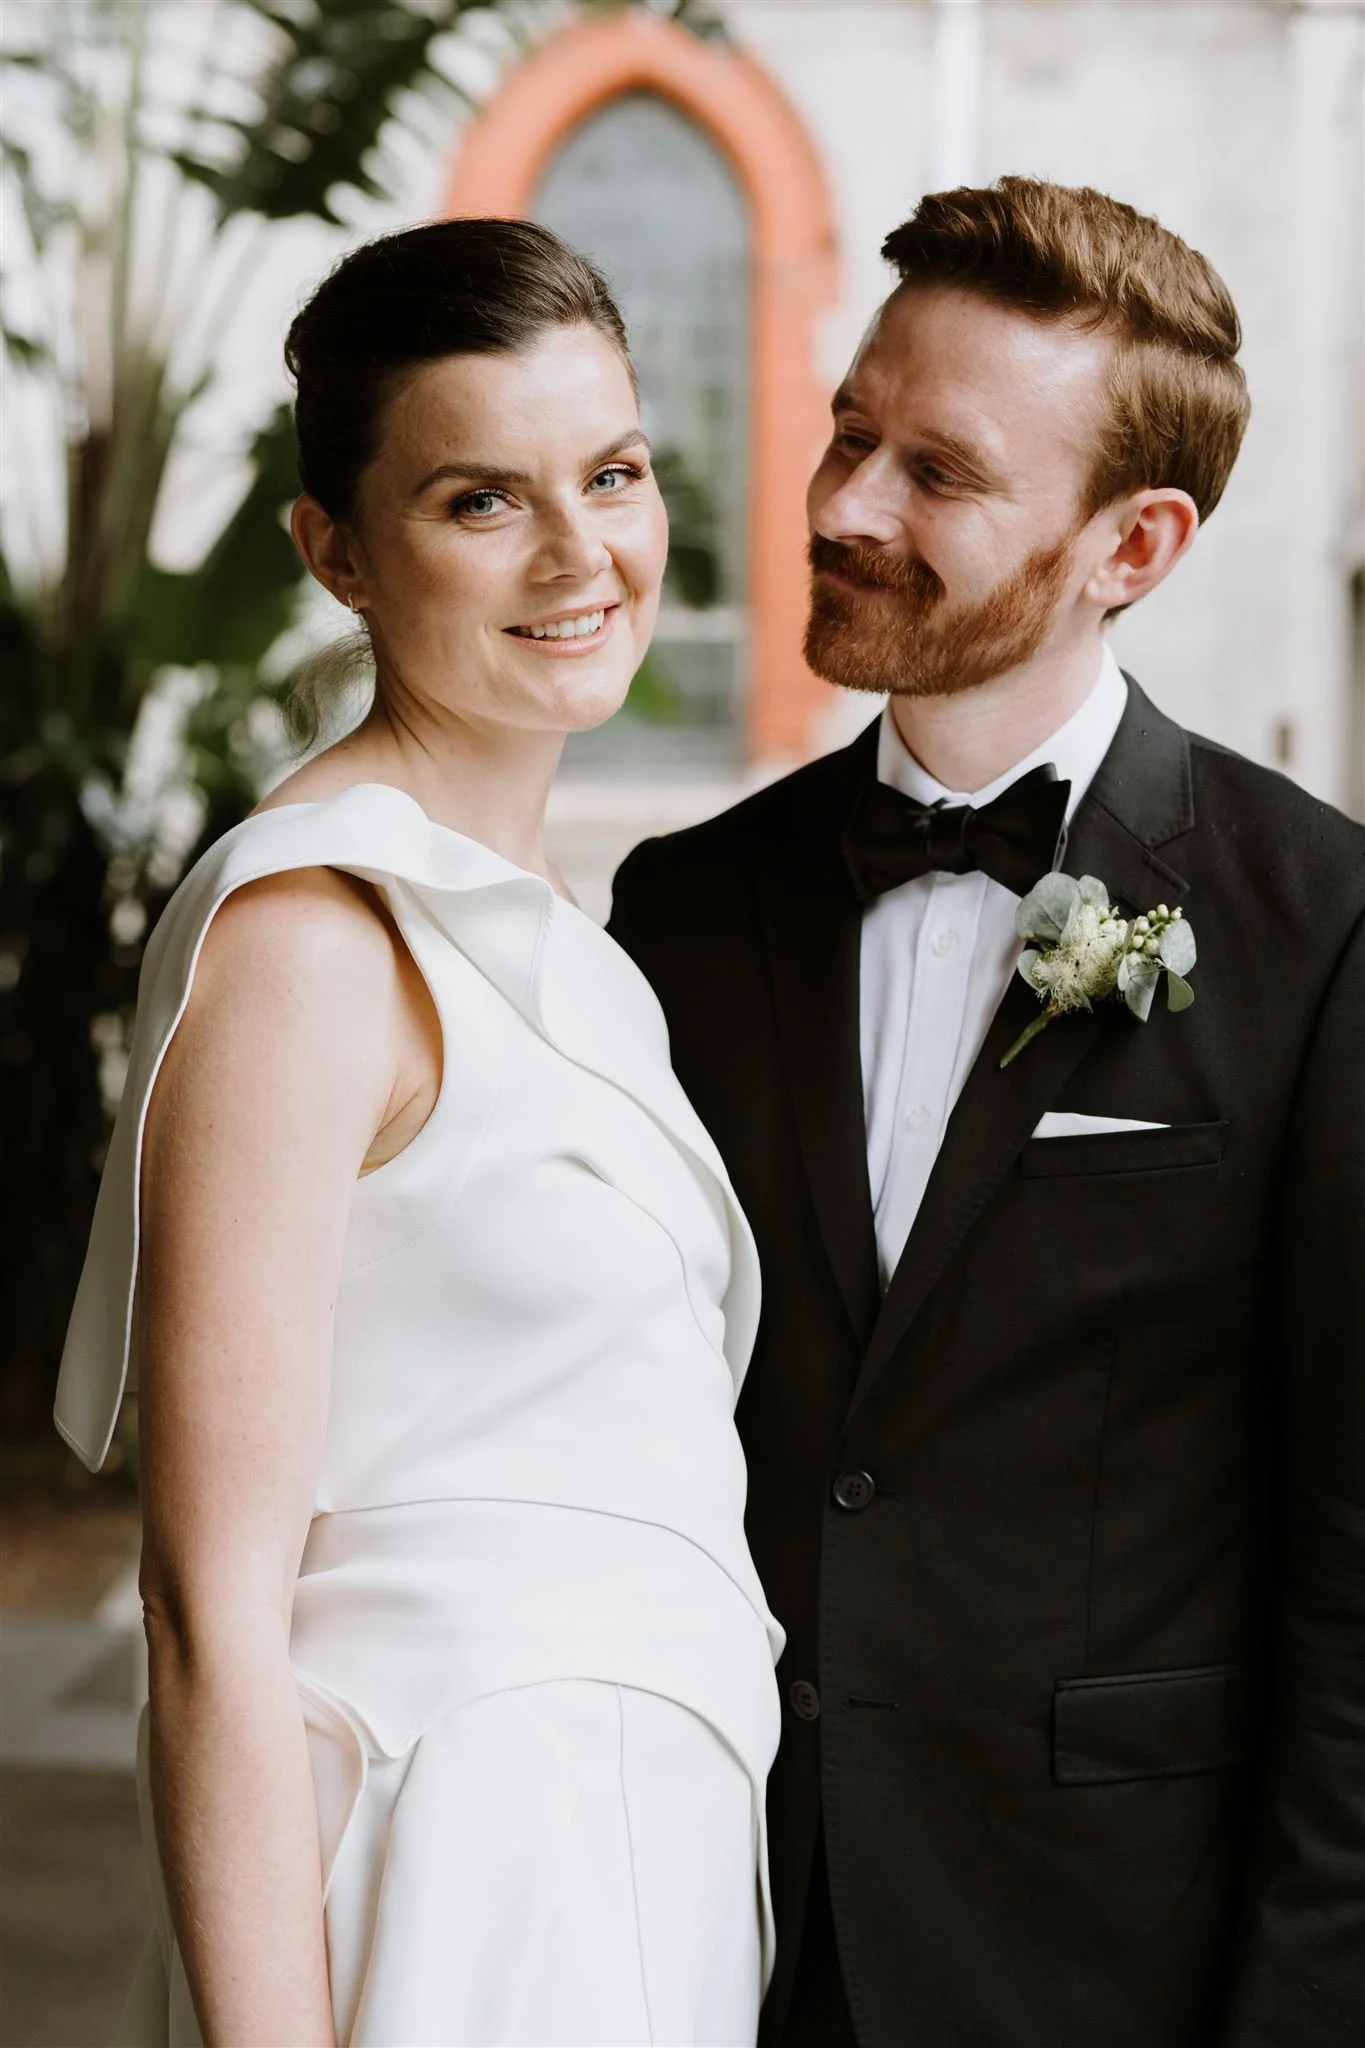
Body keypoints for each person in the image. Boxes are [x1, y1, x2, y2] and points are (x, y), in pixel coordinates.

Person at [609, 177, 1365, 2047]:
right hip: (727, 1923)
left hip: (1121, 1953)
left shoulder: (1322, 933)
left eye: (939, 474)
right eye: (854, 431)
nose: (847, 504)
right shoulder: (681, 912)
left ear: (1137, 544)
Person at [54, 218, 783, 2048]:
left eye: (612, 474)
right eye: (482, 501)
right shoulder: (314, 939)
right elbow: (203, 1609)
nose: (582, 554)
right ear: (336, 552)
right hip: (452, 1868)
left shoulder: (571, 946)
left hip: (640, 1856)